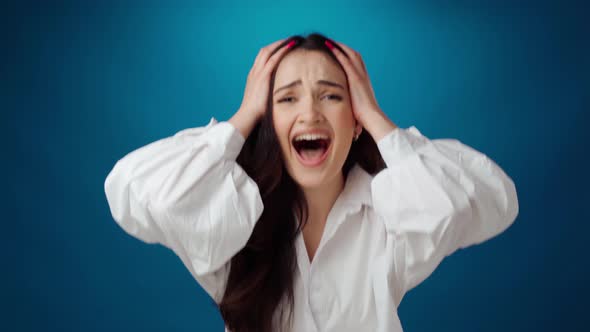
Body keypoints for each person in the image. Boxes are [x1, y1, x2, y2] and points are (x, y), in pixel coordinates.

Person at [104, 33, 519, 332]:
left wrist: (377, 120)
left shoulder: (393, 215)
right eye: (287, 99)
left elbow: (495, 201)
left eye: (332, 96)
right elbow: (130, 190)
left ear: (354, 121)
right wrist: (243, 119)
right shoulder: (228, 220)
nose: (310, 113)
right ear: (269, 122)